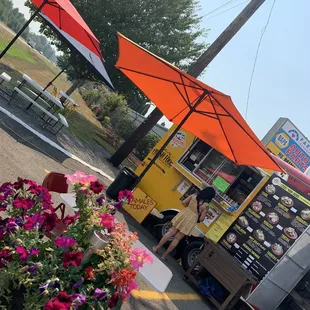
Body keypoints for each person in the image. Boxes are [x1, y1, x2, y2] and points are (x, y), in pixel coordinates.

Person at [152, 186, 216, 260]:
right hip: (191, 221)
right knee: (177, 239)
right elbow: (201, 219)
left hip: (184, 214)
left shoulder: (193, 196)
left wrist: (189, 208)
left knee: (170, 232)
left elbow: (184, 203)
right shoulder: (205, 206)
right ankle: (164, 256)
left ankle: (156, 248)